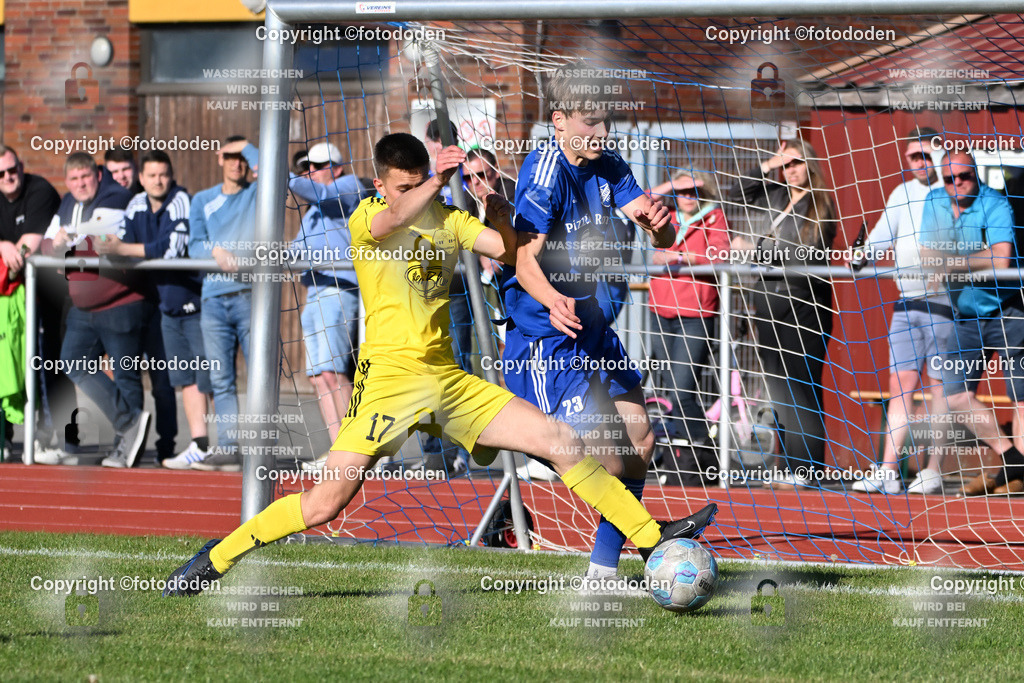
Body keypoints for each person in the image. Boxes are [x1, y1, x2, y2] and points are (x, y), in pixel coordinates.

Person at [163, 133, 717, 596]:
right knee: (325, 505)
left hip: (448, 384)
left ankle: (650, 538)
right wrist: (432, 180)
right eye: (403, 186)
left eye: (420, 182)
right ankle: (218, 556)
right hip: (386, 388)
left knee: (559, 439)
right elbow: (391, 221)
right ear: (382, 185)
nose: (414, 194)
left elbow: (505, 251)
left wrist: (498, 213)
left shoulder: (447, 218)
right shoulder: (368, 216)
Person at [500, 64, 701, 581]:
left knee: (640, 443)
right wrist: (551, 301)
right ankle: (518, 442)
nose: (603, 133)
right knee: (606, 461)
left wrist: (661, 226)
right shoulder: (544, 174)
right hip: (548, 337)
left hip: (589, 324)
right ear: (559, 121)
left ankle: (602, 574)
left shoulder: (609, 162)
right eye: (592, 122)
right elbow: (524, 261)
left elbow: (659, 234)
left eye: (607, 121)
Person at [95, 150, 213, 469]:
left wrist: (124, 249)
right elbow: (122, 247)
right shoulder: (136, 204)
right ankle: (197, 446)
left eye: (163, 174)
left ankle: (221, 446)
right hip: (164, 307)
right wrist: (120, 248)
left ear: (171, 175)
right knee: (181, 380)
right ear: (142, 178)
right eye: (151, 175)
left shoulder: (181, 201)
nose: (158, 181)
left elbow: (170, 249)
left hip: (197, 304)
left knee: (210, 379)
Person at [730, 139, 838, 488]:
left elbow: (801, 255)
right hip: (768, 306)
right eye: (786, 164)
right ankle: (790, 465)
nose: (790, 170)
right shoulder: (776, 194)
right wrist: (768, 163)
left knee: (800, 388)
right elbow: (735, 193)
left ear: (811, 165)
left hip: (803, 307)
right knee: (778, 391)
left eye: (796, 163)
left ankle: (807, 468)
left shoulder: (820, 205)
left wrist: (752, 251)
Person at [917, 151, 1024, 497]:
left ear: (975, 175)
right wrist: (957, 261)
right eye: (950, 178)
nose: (958, 182)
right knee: (955, 395)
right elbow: (926, 254)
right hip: (965, 316)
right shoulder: (934, 201)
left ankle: (1017, 480)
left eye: (964, 176)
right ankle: (1013, 459)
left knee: (1021, 401)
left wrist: (952, 264)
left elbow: (1000, 256)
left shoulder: (995, 204)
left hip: (1008, 311)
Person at [851, 127, 951, 494]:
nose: (921, 163)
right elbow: (877, 239)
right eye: (914, 157)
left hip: (948, 305)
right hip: (906, 305)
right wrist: (859, 256)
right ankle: (889, 471)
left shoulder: (958, 190)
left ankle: (933, 469)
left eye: (927, 155)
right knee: (899, 388)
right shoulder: (901, 192)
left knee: (941, 387)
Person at [40, 153, 151, 467]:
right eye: (74, 179)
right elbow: (48, 244)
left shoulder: (115, 196)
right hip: (82, 304)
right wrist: (59, 245)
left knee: (126, 374)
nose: (80, 184)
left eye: (85, 177)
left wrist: (65, 245)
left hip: (120, 300)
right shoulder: (65, 203)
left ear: (97, 175)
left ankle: (127, 446)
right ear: (67, 181)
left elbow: (96, 242)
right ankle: (128, 424)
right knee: (72, 360)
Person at [288, 142, 372, 469]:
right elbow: (296, 251)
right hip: (315, 293)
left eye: (318, 165)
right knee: (318, 377)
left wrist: (280, 176)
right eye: (306, 166)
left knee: (334, 374)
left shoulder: (347, 187)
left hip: (339, 289)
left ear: (337, 167)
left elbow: (318, 193)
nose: (310, 171)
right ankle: (338, 450)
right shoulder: (311, 212)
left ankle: (354, 450)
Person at [647, 170, 730, 485]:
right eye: (683, 191)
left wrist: (680, 255)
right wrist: (669, 185)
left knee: (681, 390)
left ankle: (705, 455)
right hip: (660, 311)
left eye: (695, 190)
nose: (688, 196)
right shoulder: (664, 215)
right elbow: (634, 200)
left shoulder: (714, 216)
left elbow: (720, 253)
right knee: (667, 391)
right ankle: (682, 462)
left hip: (696, 313)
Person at [187, 136, 259, 472]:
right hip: (213, 301)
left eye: (241, 156)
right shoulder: (202, 200)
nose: (237, 162)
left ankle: (261, 449)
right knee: (221, 378)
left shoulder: (257, 193)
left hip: (249, 296)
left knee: (260, 375)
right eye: (230, 156)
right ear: (219, 159)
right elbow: (194, 246)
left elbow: (270, 171)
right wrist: (215, 251)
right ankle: (229, 446)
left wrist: (248, 145)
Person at [0, 144, 64, 458]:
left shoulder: (40, 191)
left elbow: (25, 252)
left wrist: (12, 251)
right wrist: (2, 245)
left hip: (44, 296)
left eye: (13, 170)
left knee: (44, 363)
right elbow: (10, 254)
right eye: (1, 174)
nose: (8, 177)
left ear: (22, 166)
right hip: (7, 300)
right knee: (6, 367)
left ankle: (50, 436)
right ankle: (5, 437)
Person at [419, 119, 473, 474]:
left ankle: (463, 449)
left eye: (446, 142)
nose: (440, 148)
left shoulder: (466, 181)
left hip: (457, 289)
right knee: (424, 367)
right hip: (420, 289)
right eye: (435, 142)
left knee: (459, 364)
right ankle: (433, 450)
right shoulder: (418, 180)